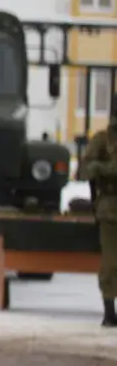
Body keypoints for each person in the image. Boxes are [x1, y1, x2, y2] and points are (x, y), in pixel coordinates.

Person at [76, 121, 117, 326]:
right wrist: (107, 168)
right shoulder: (102, 140)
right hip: (111, 210)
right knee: (111, 263)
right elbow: (84, 171)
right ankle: (110, 311)